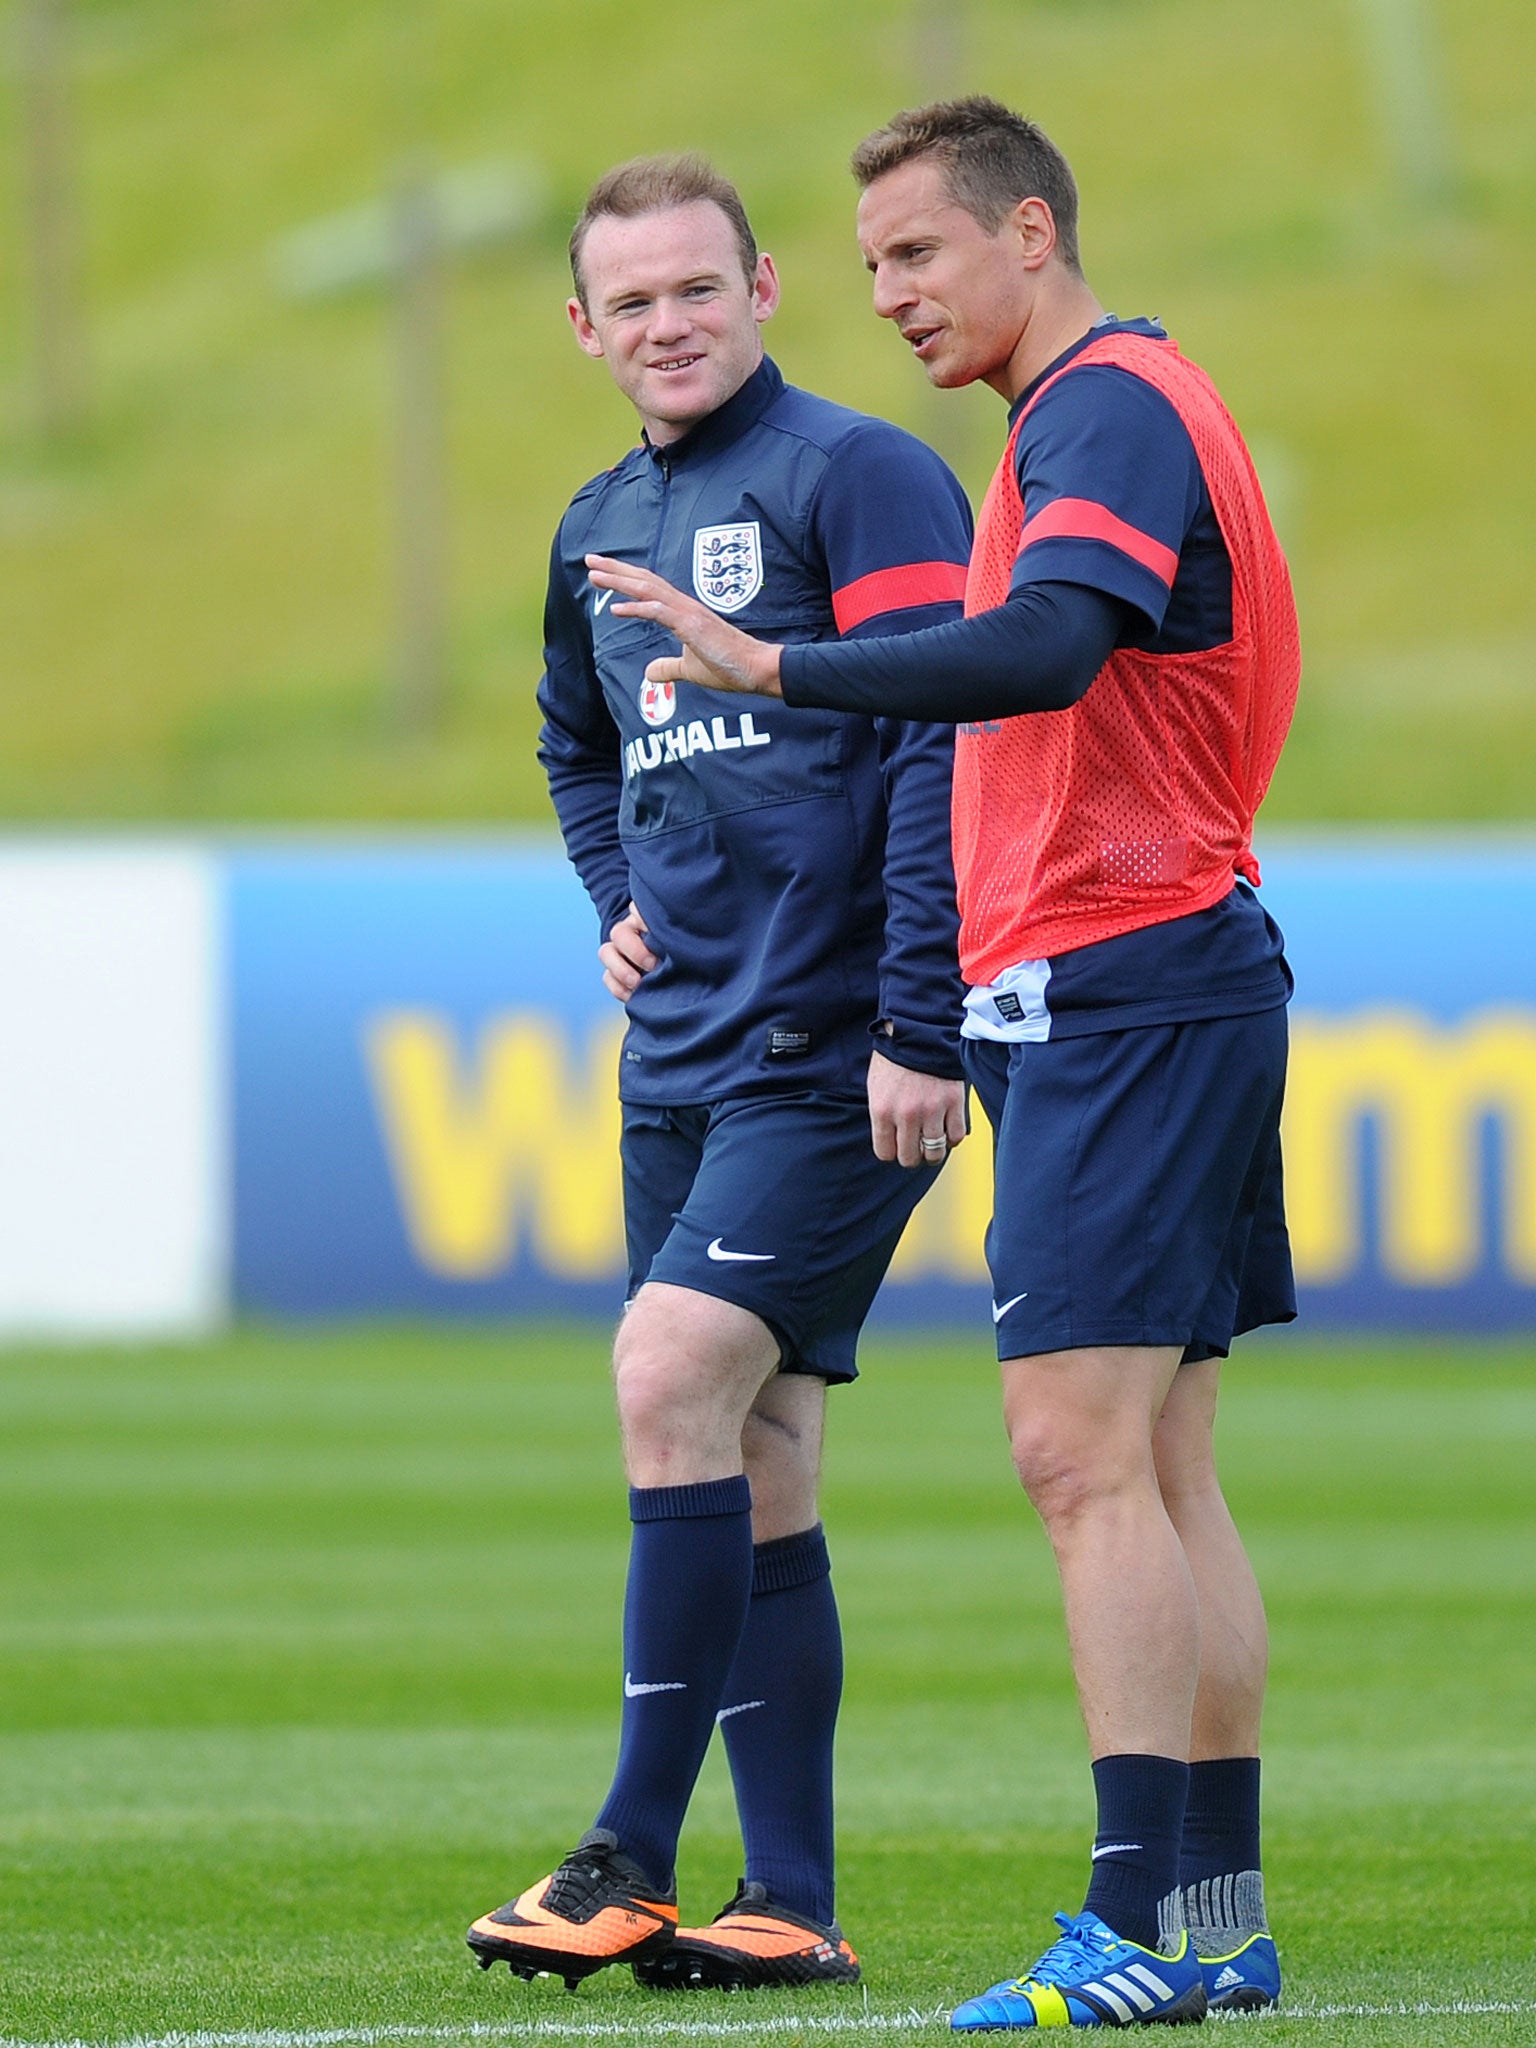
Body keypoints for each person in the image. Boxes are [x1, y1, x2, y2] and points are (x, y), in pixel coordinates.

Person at [587, 98, 1301, 2030]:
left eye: (918, 253)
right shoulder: (1104, 409)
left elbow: (1050, 647)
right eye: (881, 259)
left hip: (1122, 979)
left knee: (1079, 1460)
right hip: (1172, 966)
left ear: (1033, 232)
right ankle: (1214, 1924)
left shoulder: (1103, 409)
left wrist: (775, 668)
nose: (892, 294)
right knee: (1158, 1463)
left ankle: (1135, 1933)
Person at [466, 153, 973, 1995]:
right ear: (583, 326)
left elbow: (940, 726)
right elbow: (571, 742)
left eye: (700, 289)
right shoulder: (596, 520)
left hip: (835, 1048)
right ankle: (795, 1900)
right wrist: (612, 894)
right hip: (674, 1056)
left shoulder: (862, 473)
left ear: (764, 287)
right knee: (756, 1449)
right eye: (632, 303)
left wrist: (927, 1014)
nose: (668, 326)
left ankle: (626, 1851)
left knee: (668, 1372)